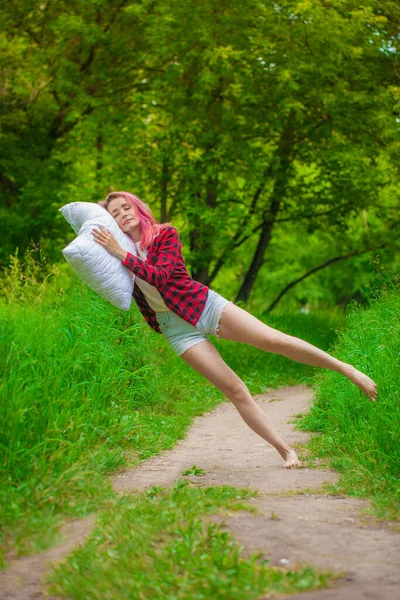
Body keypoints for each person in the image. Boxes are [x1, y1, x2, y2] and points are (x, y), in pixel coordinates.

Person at [92, 191, 378, 469]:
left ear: (137, 208)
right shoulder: (121, 254)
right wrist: (113, 253)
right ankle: (285, 449)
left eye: (125, 208)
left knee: (274, 340)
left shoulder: (165, 234)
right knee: (236, 390)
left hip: (202, 304)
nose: (122, 215)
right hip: (175, 328)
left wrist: (119, 253)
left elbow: (161, 276)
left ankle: (346, 369)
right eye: (115, 214)